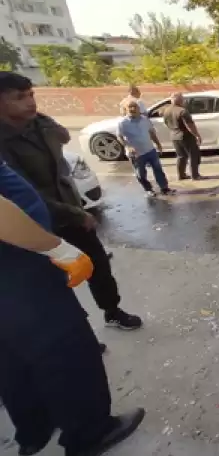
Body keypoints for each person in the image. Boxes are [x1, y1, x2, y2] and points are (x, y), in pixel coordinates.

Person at [0, 158, 145, 456]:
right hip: (18, 266)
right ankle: (89, 434)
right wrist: (56, 248)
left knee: (12, 354)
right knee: (65, 351)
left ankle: (34, 429)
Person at [0, 71, 142, 331]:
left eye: (31, 94)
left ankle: (111, 311)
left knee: (97, 264)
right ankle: (79, 331)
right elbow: (24, 194)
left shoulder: (38, 124)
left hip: (70, 210)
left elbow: (65, 137)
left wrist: (43, 122)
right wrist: (76, 214)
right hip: (37, 221)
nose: (31, 102)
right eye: (20, 97)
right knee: (55, 280)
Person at [117, 97, 175, 197]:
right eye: (130, 107)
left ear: (138, 108)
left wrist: (158, 144)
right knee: (141, 174)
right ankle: (148, 189)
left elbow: (151, 132)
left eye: (134, 106)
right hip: (137, 154)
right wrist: (128, 146)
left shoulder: (144, 119)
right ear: (126, 109)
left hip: (150, 150)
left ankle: (164, 188)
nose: (132, 109)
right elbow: (120, 137)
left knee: (158, 170)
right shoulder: (123, 123)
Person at [162, 92, 203, 180]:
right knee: (193, 155)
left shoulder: (166, 110)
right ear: (180, 100)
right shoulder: (182, 111)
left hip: (174, 136)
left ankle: (181, 175)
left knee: (181, 156)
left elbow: (166, 122)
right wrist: (197, 135)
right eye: (182, 99)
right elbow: (189, 125)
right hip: (185, 136)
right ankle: (195, 175)